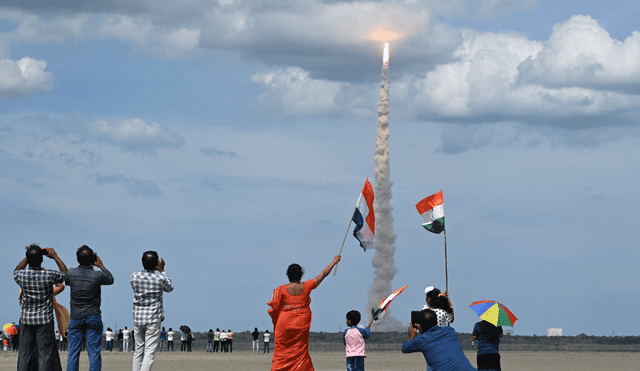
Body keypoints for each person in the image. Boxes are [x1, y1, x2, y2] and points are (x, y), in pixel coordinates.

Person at [267, 255, 341, 370]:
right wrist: (334, 261)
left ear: (288, 275)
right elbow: (323, 274)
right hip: (301, 323)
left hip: (284, 323)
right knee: (300, 349)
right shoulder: (307, 286)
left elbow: (275, 308)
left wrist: (276, 323)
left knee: (282, 351)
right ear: (301, 274)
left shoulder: (280, 289)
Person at [14, 244, 67, 371]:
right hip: (44, 320)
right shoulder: (49, 275)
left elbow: (16, 270)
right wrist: (55, 257)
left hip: (26, 319)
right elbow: (65, 274)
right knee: (45, 354)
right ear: (42, 259)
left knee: (24, 354)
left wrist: (29, 256)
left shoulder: (21, 276)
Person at [65, 245, 114, 371]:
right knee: (94, 353)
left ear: (77, 259)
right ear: (92, 259)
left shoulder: (71, 273)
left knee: (73, 353)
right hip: (93, 315)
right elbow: (110, 279)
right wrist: (101, 265)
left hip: (76, 316)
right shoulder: (97, 275)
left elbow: (65, 277)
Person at [130, 251, 173, 371]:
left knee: (138, 351)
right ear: (156, 264)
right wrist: (162, 271)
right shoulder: (159, 278)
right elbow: (170, 287)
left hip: (138, 317)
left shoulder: (134, 276)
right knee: (149, 351)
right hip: (153, 318)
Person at [402, 309, 476, 371]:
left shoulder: (422, 340)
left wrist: (412, 336)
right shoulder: (450, 330)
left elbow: (405, 348)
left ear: (419, 326)